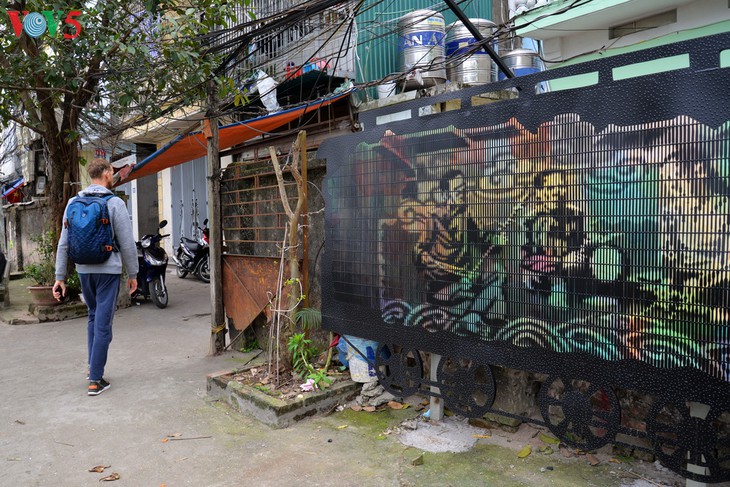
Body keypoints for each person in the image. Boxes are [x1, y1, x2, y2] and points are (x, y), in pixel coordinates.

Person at [53, 158, 138, 396]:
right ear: (107, 173)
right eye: (112, 171)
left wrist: (60, 277)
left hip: (84, 270)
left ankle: (93, 367)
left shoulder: (73, 202)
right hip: (108, 271)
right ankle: (95, 380)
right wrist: (133, 273)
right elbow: (127, 243)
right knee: (103, 325)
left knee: (93, 316)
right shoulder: (114, 203)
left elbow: (63, 243)